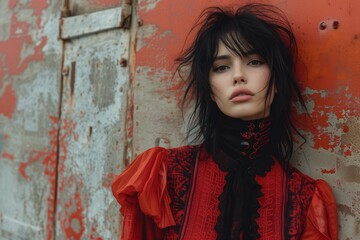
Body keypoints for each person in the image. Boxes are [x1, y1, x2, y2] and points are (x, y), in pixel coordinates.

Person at [111, 3, 338, 240]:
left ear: (277, 80)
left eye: (255, 62)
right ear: (209, 89)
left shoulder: (304, 197)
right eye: (222, 67)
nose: (238, 75)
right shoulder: (164, 175)